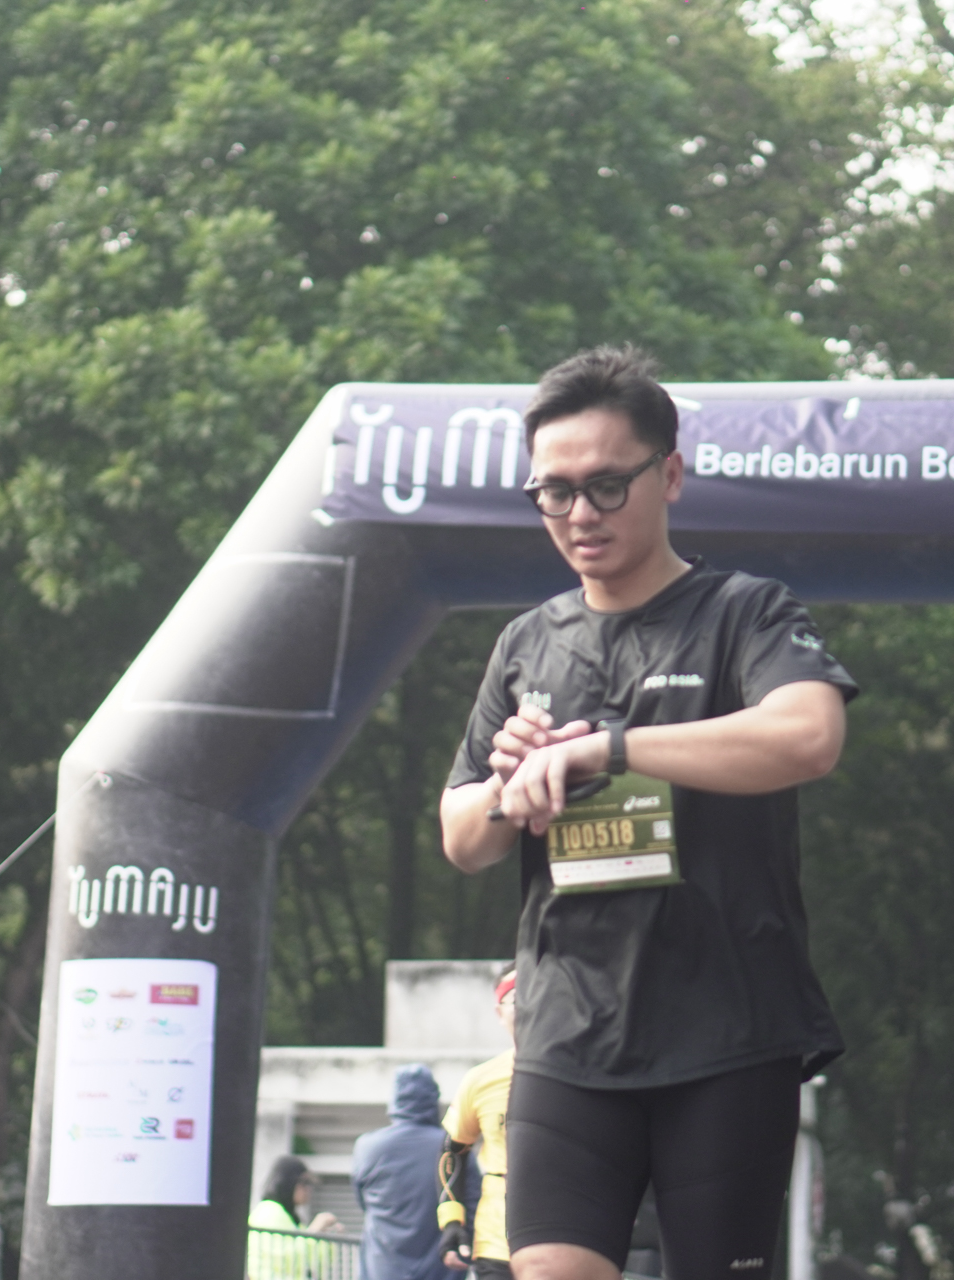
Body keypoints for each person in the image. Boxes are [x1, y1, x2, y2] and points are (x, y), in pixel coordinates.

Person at [438, 346, 855, 1280]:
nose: (579, 515)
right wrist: (512, 787)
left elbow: (809, 736)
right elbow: (461, 836)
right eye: (554, 492)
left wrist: (608, 749)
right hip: (565, 1033)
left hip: (726, 1029)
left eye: (605, 486)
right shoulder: (526, 643)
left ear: (669, 475)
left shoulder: (745, 612)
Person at [437, 963, 519, 1280]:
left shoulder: (587, 1075)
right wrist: (451, 1221)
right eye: (517, 999)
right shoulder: (482, 1080)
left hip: (569, 1244)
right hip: (497, 1246)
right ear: (499, 1012)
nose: (530, 1006)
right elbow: (452, 1150)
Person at [351, 1063, 450, 1280]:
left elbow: (362, 1202)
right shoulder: (452, 1147)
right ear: (433, 1100)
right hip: (439, 1272)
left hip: (381, 1271)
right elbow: (472, 1204)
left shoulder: (367, 1147)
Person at [248, 1155, 341, 1280]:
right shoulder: (269, 1211)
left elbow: (313, 1262)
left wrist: (326, 1238)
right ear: (288, 1182)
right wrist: (313, 1231)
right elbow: (288, 1259)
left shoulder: (292, 1218)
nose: (309, 1189)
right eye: (305, 1183)